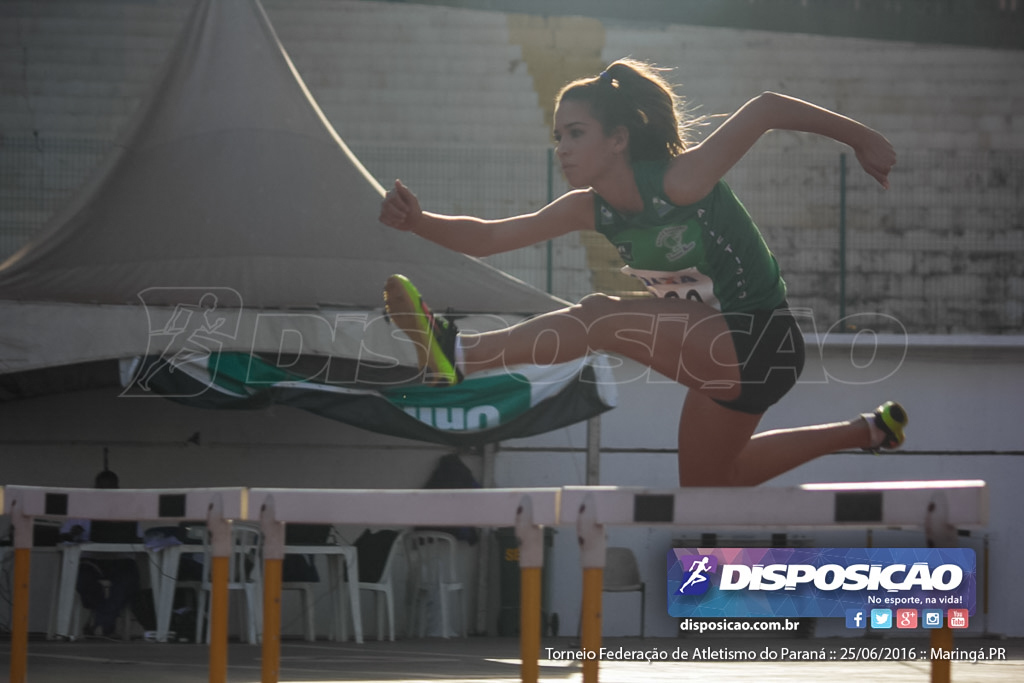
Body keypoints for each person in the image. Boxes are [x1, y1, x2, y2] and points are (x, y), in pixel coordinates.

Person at [378, 58, 907, 487]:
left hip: (762, 340)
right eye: (558, 134)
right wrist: (418, 221)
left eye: (577, 133)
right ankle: (865, 432)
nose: (562, 148)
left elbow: (766, 108)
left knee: (599, 316)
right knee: (710, 486)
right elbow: (492, 237)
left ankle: (462, 354)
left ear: (619, 139)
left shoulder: (680, 182)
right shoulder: (590, 207)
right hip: (725, 356)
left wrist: (860, 138)